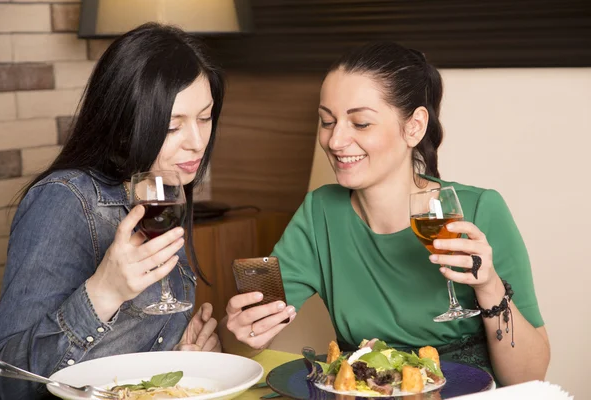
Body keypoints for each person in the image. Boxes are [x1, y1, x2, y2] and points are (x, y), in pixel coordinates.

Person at [220, 42, 550, 386]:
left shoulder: (480, 210)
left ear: (414, 127)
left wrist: (490, 287)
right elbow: (247, 341)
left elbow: (529, 378)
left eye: (360, 123)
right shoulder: (320, 212)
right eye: (327, 121)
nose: (335, 141)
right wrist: (245, 332)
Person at [0, 23, 224, 399]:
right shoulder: (66, 201)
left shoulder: (162, 191)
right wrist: (103, 292)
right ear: (124, 126)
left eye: (205, 117)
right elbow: (5, 383)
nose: (197, 143)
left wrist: (181, 357)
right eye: (171, 126)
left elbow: (123, 363)